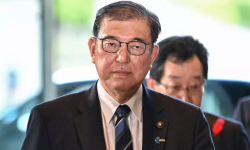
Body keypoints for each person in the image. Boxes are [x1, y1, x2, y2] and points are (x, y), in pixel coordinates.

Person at [21, 1, 215, 150]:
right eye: (111, 44)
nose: (122, 57)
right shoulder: (50, 119)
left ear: (152, 56)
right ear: (93, 50)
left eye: (136, 46)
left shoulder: (188, 121)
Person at [147, 36, 250, 150]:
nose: (185, 99)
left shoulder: (229, 135)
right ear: (152, 85)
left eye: (194, 86)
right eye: (175, 87)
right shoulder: (136, 130)